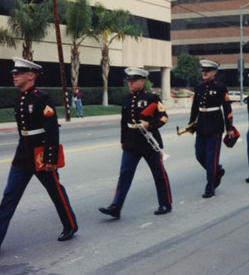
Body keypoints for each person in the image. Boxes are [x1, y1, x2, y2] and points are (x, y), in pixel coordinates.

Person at [0, 58, 78, 252]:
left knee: (55, 191)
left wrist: (50, 159)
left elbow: (52, 130)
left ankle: (70, 225)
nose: (14, 76)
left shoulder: (42, 98)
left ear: (31, 75)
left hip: (40, 155)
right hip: (23, 155)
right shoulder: (18, 99)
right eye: (14, 73)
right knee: (10, 195)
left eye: (17, 73)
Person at [99, 68, 172, 219]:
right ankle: (116, 207)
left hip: (149, 142)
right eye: (129, 81)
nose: (130, 83)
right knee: (124, 175)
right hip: (131, 142)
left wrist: (150, 124)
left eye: (133, 81)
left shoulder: (152, 98)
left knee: (159, 174)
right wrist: (122, 141)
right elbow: (123, 122)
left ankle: (165, 203)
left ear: (142, 81)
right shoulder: (126, 98)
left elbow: (163, 117)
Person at [188, 60, 234, 198]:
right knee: (199, 155)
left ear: (214, 72)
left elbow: (227, 108)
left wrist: (229, 127)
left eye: (208, 70)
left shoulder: (220, 88)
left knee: (211, 158)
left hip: (215, 126)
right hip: (201, 126)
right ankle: (217, 171)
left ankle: (210, 187)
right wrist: (191, 123)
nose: (204, 72)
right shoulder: (199, 88)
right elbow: (195, 107)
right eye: (203, 70)